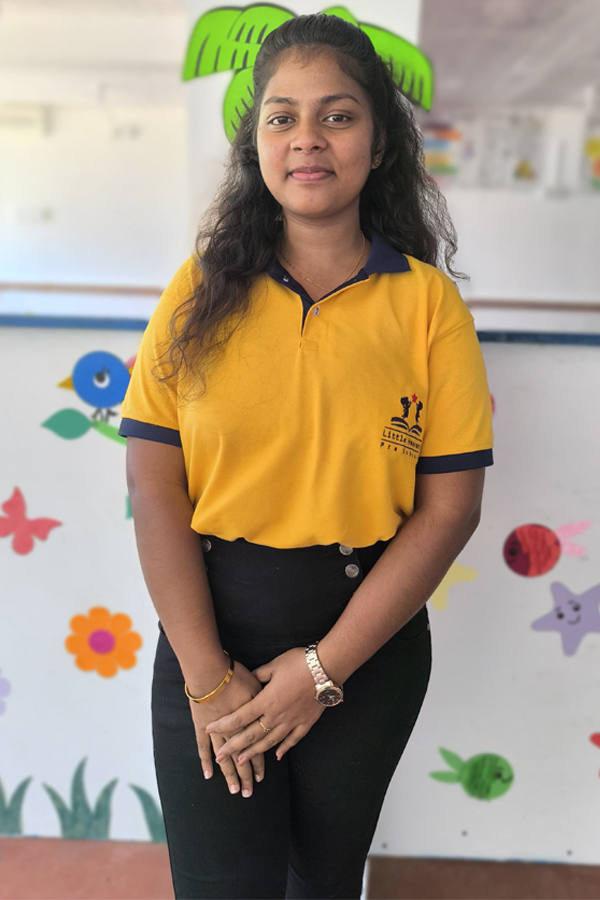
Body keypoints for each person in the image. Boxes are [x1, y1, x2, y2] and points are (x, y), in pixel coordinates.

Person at [118, 13, 493, 900]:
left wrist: (322, 672)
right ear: (255, 144)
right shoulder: (197, 291)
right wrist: (208, 680)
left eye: (338, 115)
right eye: (282, 117)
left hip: (366, 646)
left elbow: (450, 508)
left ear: (379, 142)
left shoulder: (427, 306)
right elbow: (155, 485)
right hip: (211, 636)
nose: (308, 138)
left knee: (319, 885)